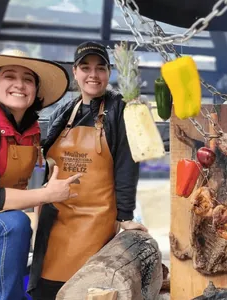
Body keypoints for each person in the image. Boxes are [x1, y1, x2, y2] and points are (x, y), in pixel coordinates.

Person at [28, 41, 146, 299]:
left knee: (89, 289)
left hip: (96, 222)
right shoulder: (64, 110)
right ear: (75, 72)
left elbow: (127, 164)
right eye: (85, 67)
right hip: (56, 220)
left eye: (100, 68)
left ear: (109, 72)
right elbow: (47, 162)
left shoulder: (120, 108)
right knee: (49, 290)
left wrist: (126, 215)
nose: (93, 75)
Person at [0, 49, 82, 300]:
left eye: (28, 79)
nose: (19, 85)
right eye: (9, 76)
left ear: (36, 88)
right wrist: (45, 195)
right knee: (14, 224)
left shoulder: (30, 128)